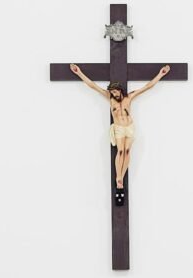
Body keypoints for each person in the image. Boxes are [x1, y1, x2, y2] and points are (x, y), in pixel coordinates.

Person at [69, 63, 171, 206]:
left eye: (115, 92)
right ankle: (119, 177)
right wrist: (79, 73)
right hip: (118, 128)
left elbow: (147, 87)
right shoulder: (110, 99)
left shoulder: (129, 97)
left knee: (128, 151)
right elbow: (92, 85)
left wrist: (161, 74)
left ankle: (121, 179)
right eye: (112, 92)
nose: (114, 94)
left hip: (129, 127)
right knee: (120, 151)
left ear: (119, 90)